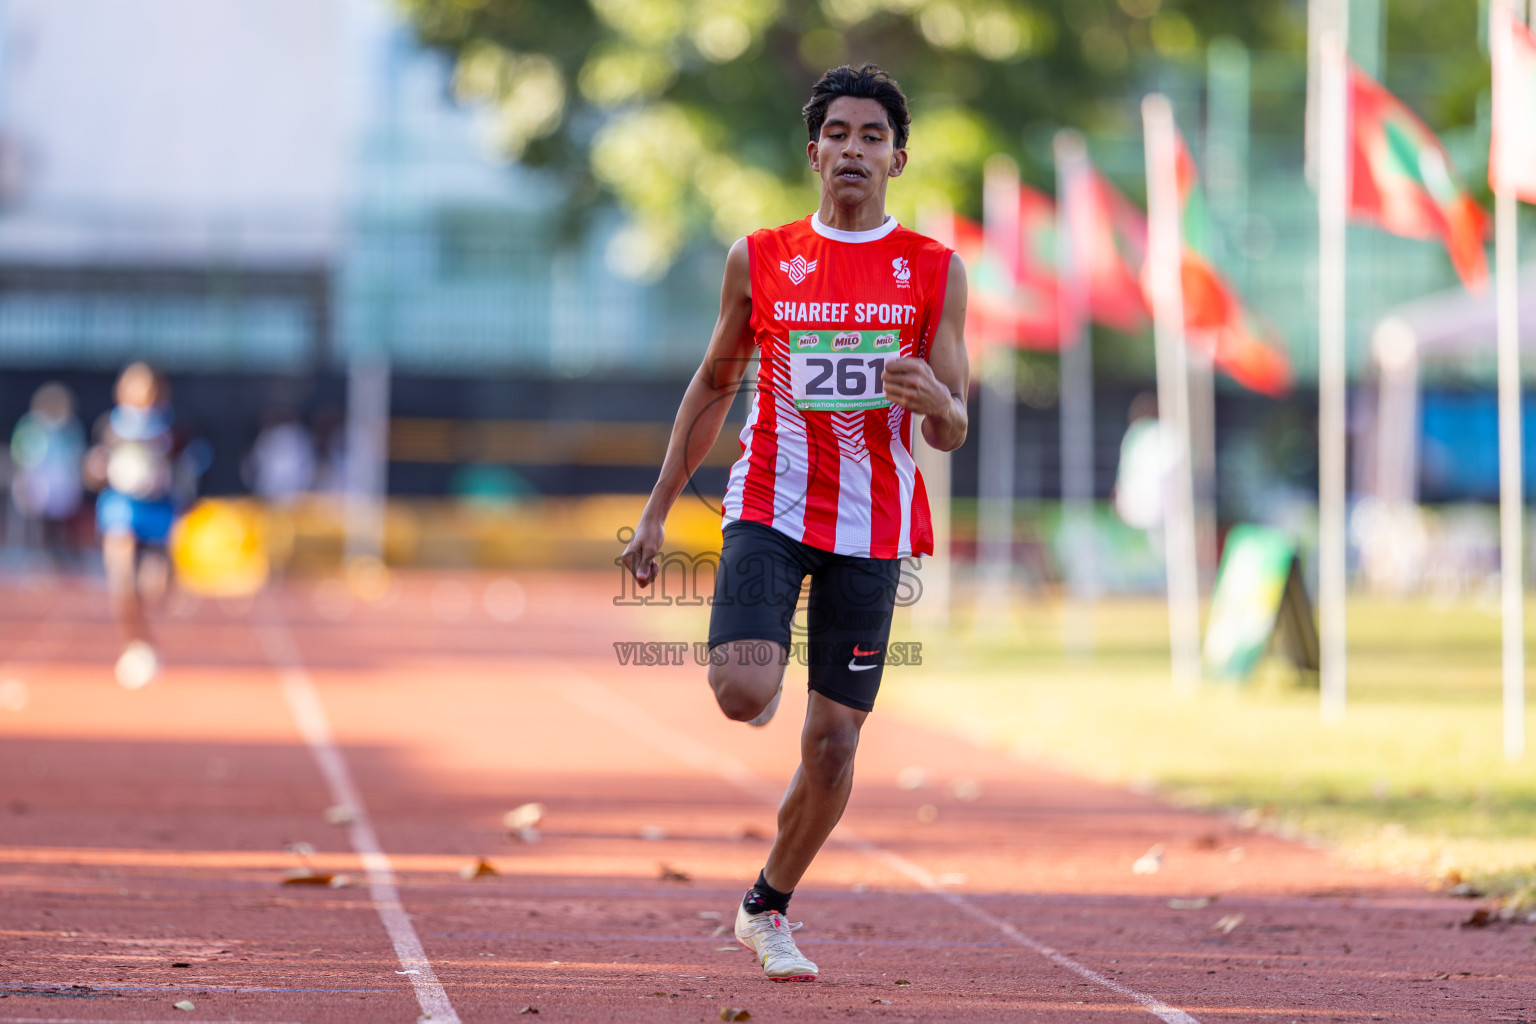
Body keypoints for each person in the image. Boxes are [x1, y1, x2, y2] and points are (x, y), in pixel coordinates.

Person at [620, 64, 969, 983]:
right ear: (813, 152)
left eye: (873, 136)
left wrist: (936, 394)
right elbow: (714, 384)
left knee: (833, 745)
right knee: (741, 693)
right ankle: (762, 666)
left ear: (899, 157)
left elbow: (953, 423)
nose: (854, 149)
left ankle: (766, 907)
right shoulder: (762, 256)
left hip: (874, 524)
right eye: (839, 135)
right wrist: (657, 511)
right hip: (769, 507)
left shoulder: (935, 270)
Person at [84, 363, 183, 690]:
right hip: (121, 507)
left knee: (154, 588)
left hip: (158, 509)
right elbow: (93, 471)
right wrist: (97, 470)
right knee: (121, 580)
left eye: (148, 388)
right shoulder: (111, 427)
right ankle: (137, 645)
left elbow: (188, 469)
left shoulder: (170, 429)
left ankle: (143, 637)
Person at [9, 382, 86, 562]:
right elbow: (21, 453)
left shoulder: (71, 428)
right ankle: (42, 557)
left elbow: (76, 455)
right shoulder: (30, 426)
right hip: (38, 484)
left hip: (64, 486)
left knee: (65, 526)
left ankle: (68, 558)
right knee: (41, 525)